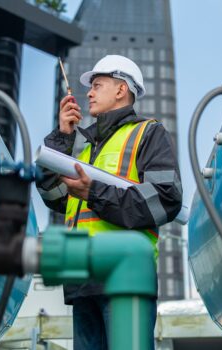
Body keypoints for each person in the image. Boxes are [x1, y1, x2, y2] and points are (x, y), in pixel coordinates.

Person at [36, 55, 182, 350]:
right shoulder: (88, 151)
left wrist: (94, 193)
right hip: (82, 283)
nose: (89, 92)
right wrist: (62, 138)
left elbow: (166, 199)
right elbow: (53, 197)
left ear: (121, 89)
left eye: (97, 85)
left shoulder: (148, 133)